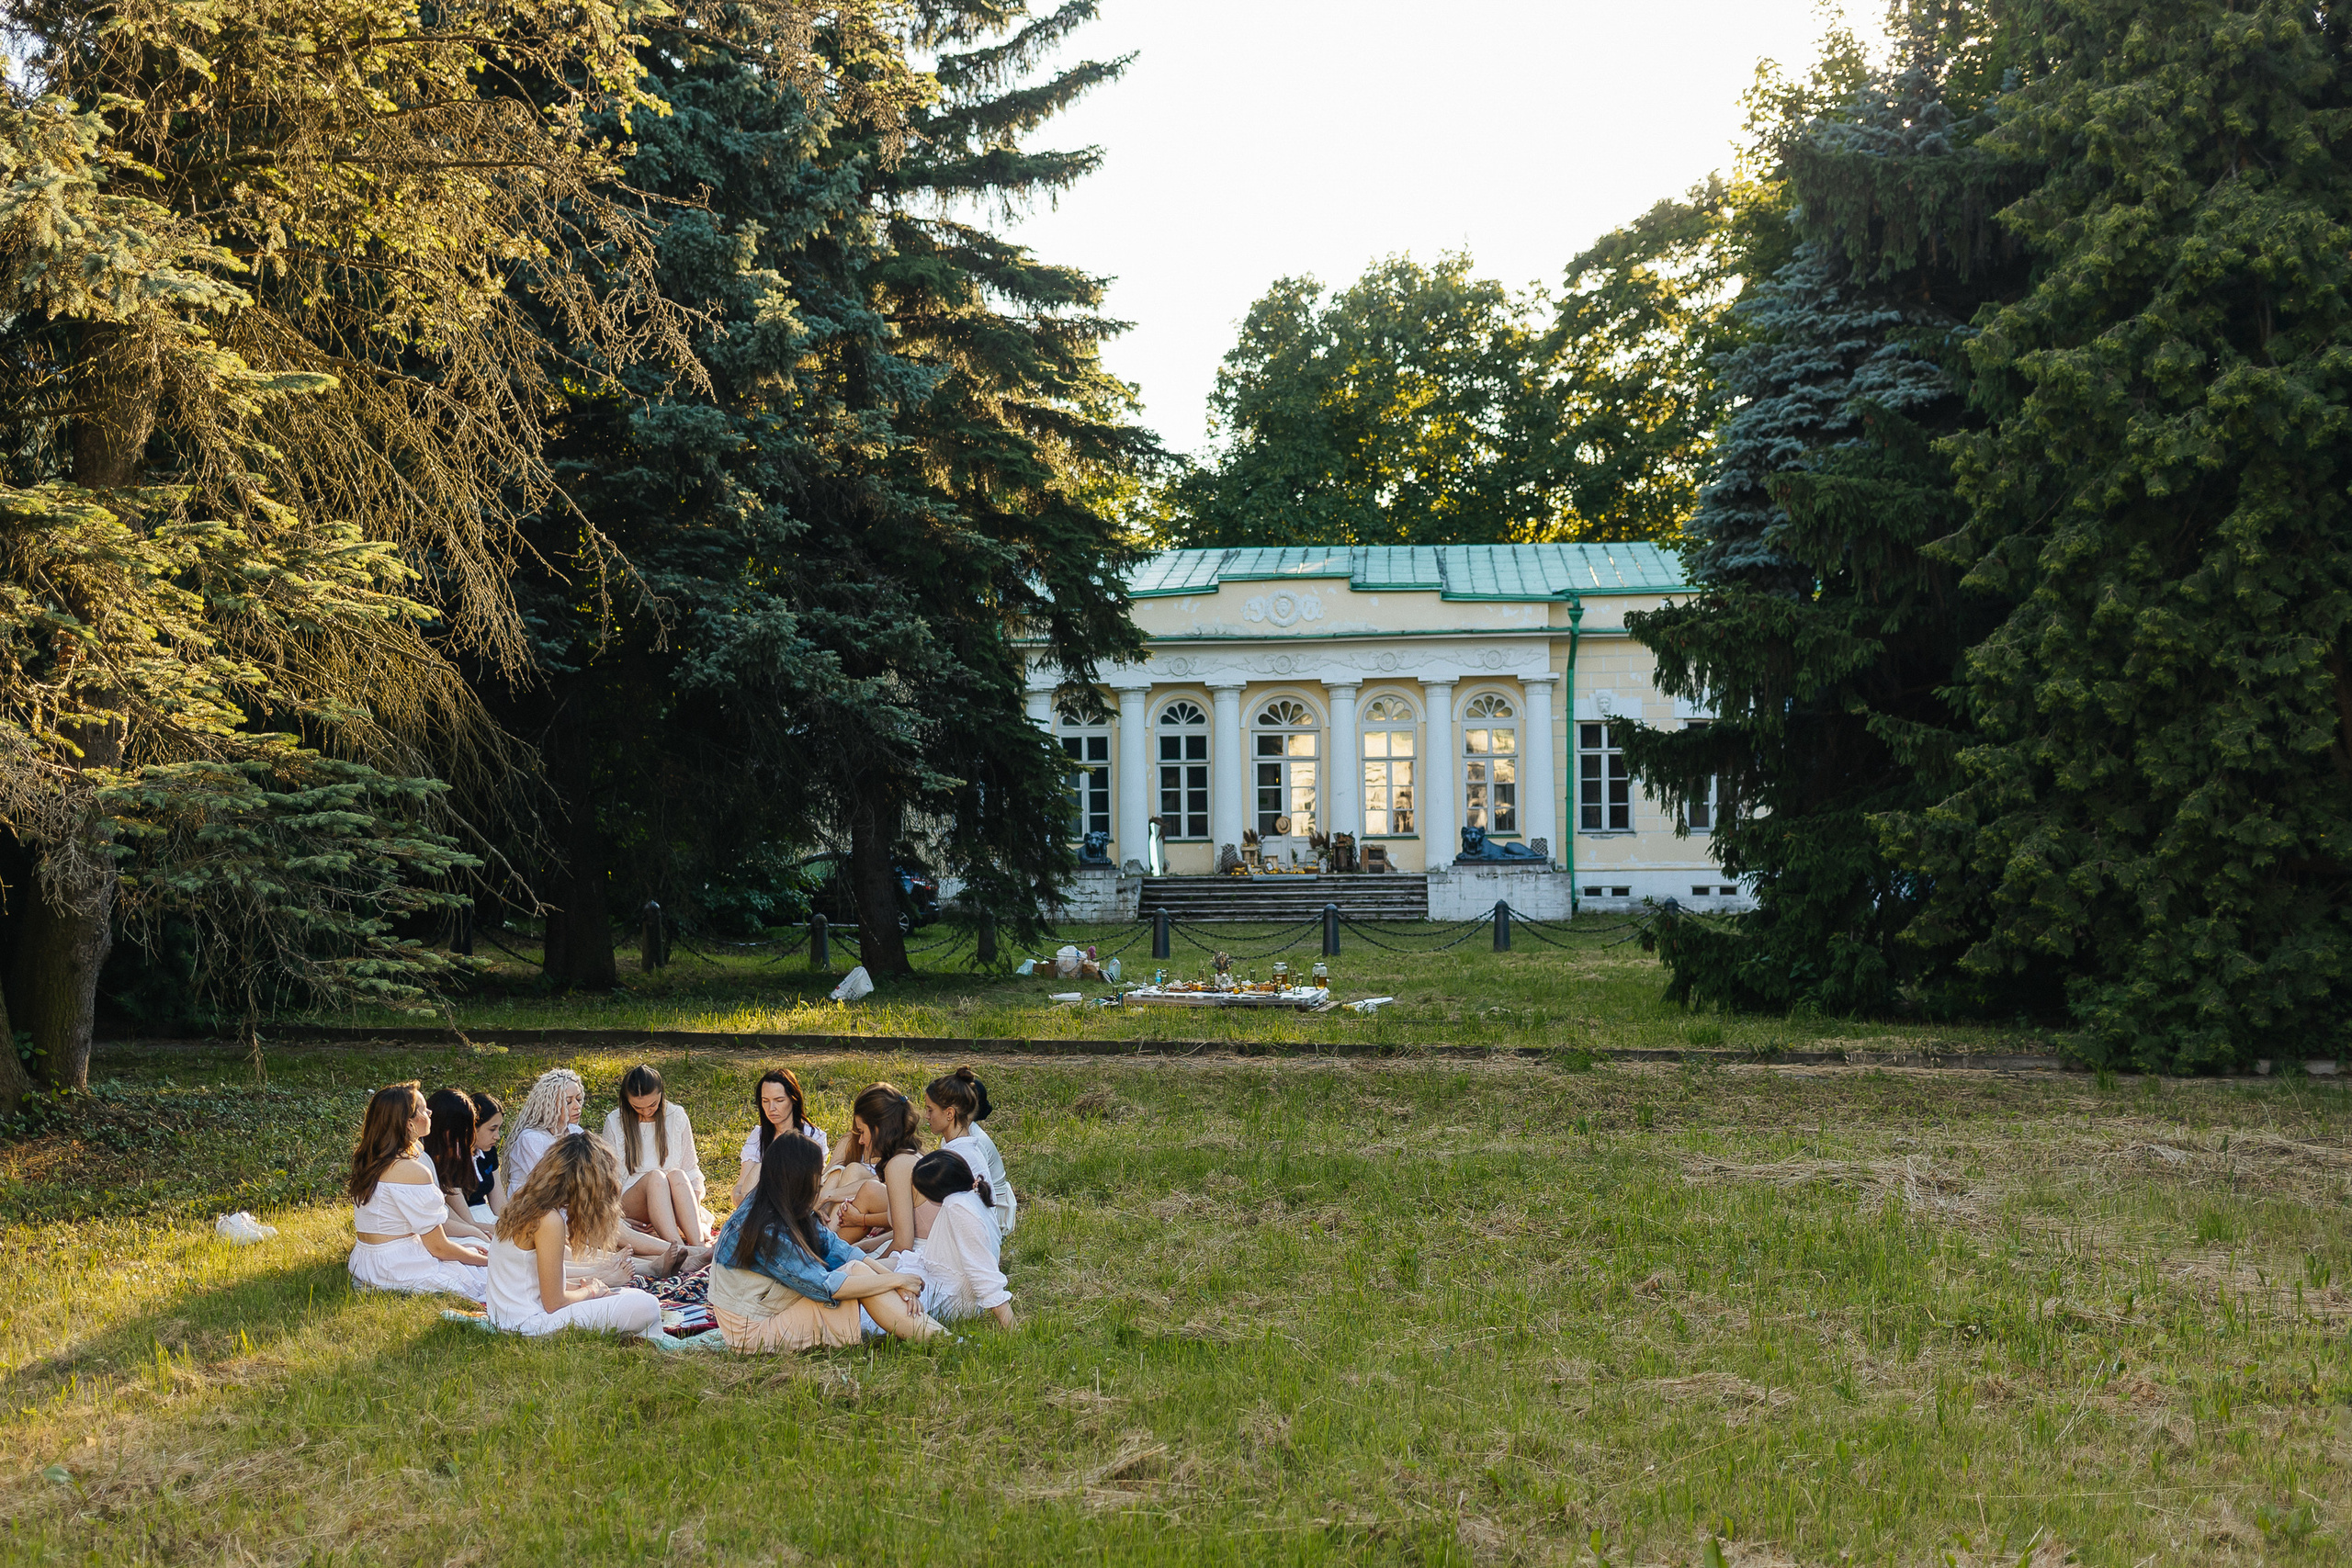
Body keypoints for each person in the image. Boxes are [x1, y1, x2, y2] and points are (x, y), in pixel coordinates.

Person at [708, 1134, 944, 1350]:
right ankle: (942, 1341)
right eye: (816, 1174)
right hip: (752, 1331)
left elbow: (837, 1248)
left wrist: (898, 1284)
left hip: (773, 1309)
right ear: (798, 1178)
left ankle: (940, 1337)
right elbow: (824, 1286)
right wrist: (895, 1279)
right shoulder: (767, 1229)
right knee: (857, 1276)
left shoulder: (779, 1201)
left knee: (858, 1269)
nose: (820, 1182)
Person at [485, 1134, 664, 1339]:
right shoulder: (548, 1220)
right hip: (530, 1325)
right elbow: (554, 1303)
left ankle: (637, 1339)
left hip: (512, 1319)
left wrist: (587, 1287)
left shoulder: (524, 1204)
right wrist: (591, 1292)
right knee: (647, 1305)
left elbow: (535, 1284)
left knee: (634, 1296)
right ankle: (645, 1339)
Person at [503, 1068, 680, 1275]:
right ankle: (684, 1251)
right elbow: (554, 1192)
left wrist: (610, 1213)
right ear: (548, 1103)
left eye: (578, 1098)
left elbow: (593, 1184)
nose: (577, 1106)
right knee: (605, 1232)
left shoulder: (576, 1132)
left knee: (613, 1230)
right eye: (568, 1101)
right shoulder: (531, 1139)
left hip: (572, 1211)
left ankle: (670, 1260)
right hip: (543, 1214)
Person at [345, 1082, 490, 1300]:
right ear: (408, 1124)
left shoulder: (371, 1160)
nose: (429, 1112)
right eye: (422, 1109)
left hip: (366, 1260)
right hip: (397, 1266)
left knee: (473, 1248)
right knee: (494, 1275)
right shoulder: (413, 1171)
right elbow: (439, 1248)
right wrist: (486, 1261)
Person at [598, 1064, 710, 1247]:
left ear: (661, 1094)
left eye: (652, 1104)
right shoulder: (615, 1121)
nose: (646, 1111)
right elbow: (606, 1178)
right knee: (656, 1178)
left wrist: (694, 1208)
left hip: (672, 1197)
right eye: (637, 1107)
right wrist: (618, 1217)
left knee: (677, 1175)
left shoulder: (677, 1116)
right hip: (632, 1198)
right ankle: (678, 1248)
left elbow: (691, 1170)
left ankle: (698, 1246)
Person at [905, 1150, 1014, 1329]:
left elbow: (981, 1269)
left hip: (950, 1295)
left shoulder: (957, 1206)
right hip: (941, 1277)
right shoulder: (972, 1194)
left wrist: (1012, 1327)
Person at [827, 1084, 924, 1253]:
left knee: (869, 1190)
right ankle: (830, 1251)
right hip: (911, 1243)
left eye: (862, 1132)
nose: (861, 1140)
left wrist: (862, 1221)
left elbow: (903, 1244)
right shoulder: (909, 1156)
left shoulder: (899, 1164)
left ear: (878, 1129)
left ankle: (828, 1251)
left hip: (919, 1253)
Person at [922, 1066, 1015, 1239]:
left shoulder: (965, 1153)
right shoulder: (957, 1143)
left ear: (949, 1113)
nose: (926, 1116)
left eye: (930, 1110)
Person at [733, 1068, 827, 1203]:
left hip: (796, 1205)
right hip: (759, 1205)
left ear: (793, 1099)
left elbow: (815, 1185)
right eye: (765, 1101)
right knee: (758, 1169)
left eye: (779, 1100)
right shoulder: (758, 1136)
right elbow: (742, 1184)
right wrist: (739, 1199)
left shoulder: (813, 1136)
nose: (771, 1108)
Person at [422, 1089, 492, 1242]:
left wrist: (475, 1231)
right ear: (447, 1132)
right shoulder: (424, 1162)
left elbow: (446, 1212)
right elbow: (437, 1220)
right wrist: (476, 1232)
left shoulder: (446, 1157)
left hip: (449, 1226)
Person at [465, 1091, 503, 1223]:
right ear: (473, 1127)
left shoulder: (489, 1152)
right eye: (492, 1129)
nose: (497, 1136)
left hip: (487, 1217)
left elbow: (499, 1204)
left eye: (499, 1129)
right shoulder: (454, 1159)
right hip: (466, 1223)